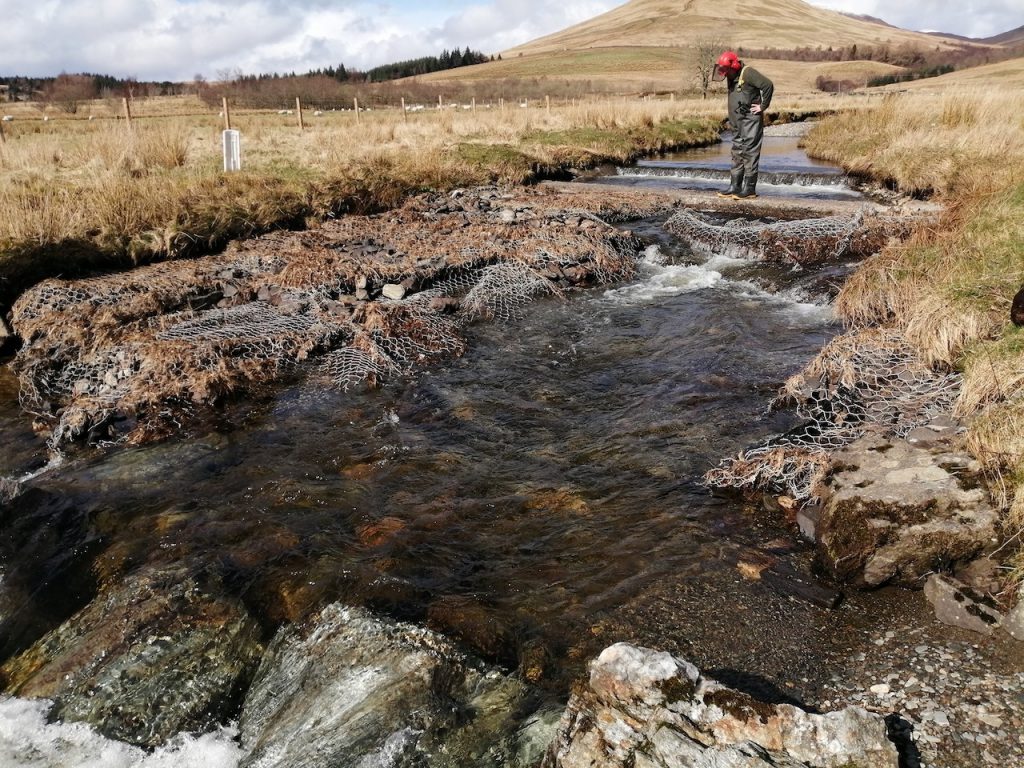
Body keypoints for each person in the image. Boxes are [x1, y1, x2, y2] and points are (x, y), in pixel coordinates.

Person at [713, 51, 774, 200]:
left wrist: (762, 106)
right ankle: (735, 186)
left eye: (726, 70)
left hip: (750, 121)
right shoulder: (731, 75)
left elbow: (768, 85)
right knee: (737, 152)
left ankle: (749, 189)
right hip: (737, 121)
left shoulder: (748, 73)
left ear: (734, 66)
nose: (724, 73)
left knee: (750, 152)